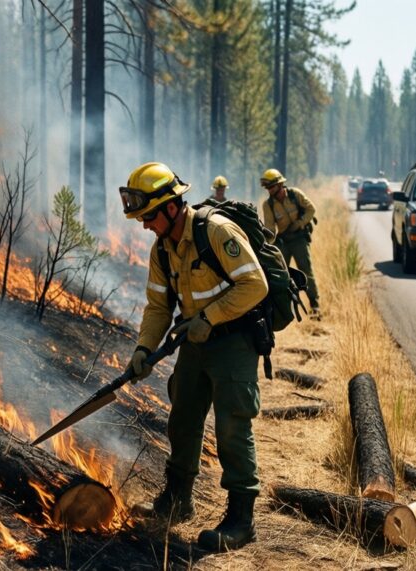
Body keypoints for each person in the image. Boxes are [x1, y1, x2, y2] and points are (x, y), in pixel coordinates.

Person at [120, 162, 267, 552]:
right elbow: (157, 307)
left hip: (234, 341)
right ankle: (177, 500)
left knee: (232, 426)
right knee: (183, 416)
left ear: (171, 207)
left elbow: (256, 284)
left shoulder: (216, 232)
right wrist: (143, 350)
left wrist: (210, 317)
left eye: (148, 216)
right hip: (195, 344)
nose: (144, 224)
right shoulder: (162, 249)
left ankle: (241, 519)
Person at [259, 168, 320, 316]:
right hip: (283, 242)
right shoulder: (268, 205)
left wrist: (299, 223)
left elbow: (311, 209)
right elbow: (269, 228)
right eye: (267, 188)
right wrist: (267, 246)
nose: (269, 190)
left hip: (299, 239)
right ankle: (284, 310)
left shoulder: (295, 195)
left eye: (271, 187)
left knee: (306, 271)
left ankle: (315, 305)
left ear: (280, 185)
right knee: (280, 274)